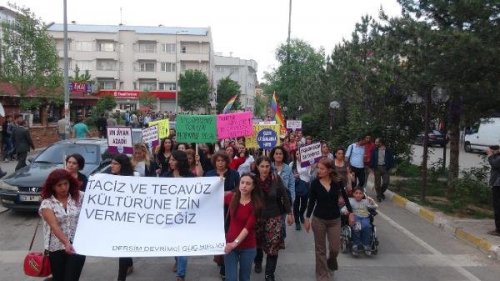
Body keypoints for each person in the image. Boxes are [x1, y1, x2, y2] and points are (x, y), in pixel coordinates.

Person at [304, 158, 354, 281]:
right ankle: (322, 275)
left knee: (334, 249)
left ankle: (331, 263)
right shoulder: (315, 183)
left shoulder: (337, 182)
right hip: (319, 219)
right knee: (320, 249)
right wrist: (307, 218)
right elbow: (311, 202)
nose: (319, 171)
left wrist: (351, 212)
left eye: (322, 169)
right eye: (318, 168)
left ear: (329, 170)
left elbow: (345, 197)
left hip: (335, 220)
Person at [39, 169, 86, 281]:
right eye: (59, 185)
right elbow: (54, 225)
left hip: (77, 246)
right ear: (52, 187)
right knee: (59, 278)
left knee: (71, 278)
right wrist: (66, 243)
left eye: (66, 184)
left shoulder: (80, 197)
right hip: (56, 249)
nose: (63, 188)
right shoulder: (47, 203)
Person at [253, 156, 293, 281]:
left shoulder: (276, 179)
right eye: (262, 166)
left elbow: (285, 196)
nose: (265, 169)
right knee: (257, 244)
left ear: (270, 167)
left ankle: (269, 274)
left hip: (274, 216)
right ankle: (258, 261)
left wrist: (290, 213)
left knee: (273, 247)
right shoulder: (253, 180)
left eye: (267, 166)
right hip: (257, 217)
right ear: (257, 167)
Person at [160, 150, 194, 281]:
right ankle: (177, 260)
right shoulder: (165, 177)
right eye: (170, 160)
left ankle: (181, 275)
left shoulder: (190, 177)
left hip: (185, 218)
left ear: (180, 161)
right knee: (174, 245)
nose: (170, 162)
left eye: (173, 160)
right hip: (169, 218)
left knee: (183, 247)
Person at [224, 173, 264, 281]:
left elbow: (247, 228)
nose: (244, 186)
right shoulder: (232, 197)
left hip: (248, 247)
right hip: (229, 245)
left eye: (248, 183)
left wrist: (235, 243)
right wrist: (217, 182)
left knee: (244, 278)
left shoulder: (256, 205)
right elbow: (213, 197)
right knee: (230, 278)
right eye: (242, 182)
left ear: (253, 186)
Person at [108, 154, 135, 281]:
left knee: (123, 250)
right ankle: (129, 263)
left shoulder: (134, 178)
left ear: (122, 166)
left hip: (129, 221)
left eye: (115, 164)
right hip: (116, 220)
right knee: (122, 248)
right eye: (111, 163)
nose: (111, 166)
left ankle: (121, 278)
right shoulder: (108, 180)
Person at [270, 146, 295, 242]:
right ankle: (273, 237)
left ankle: (281, 237)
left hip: (283, 200)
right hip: (271, 200)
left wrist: (292, 199)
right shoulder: (269, 166)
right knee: (272, 220)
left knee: (281, 221)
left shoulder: (287, 168)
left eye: (280, 153)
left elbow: (291, 185)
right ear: (273, 155)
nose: (278, 155)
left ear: (283, 155)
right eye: (276, 153)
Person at [347, 187, 378, 255]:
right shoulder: (350, 201)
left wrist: (372, 201)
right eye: (356, 193)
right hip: (355, 217)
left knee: (367, 227)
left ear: (363, 195)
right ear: (353, 194)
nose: (358, 195)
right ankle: (356, 244)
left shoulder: (366, 201)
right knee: (357, 227)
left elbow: (375, 206)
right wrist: (344, 211)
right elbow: (345, 208)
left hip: (365, 217)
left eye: (360, 193)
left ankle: (366, 244)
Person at [290, 149, 311, 230]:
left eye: (301, 153)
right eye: (297, 154)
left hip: (305, 185)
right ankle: (297, 222)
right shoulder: (292, 164)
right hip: (296, 186)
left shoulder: (307, 163)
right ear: (295, 155)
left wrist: (312, 166)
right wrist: (294, 176)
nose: (299, 155)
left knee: (304, 203)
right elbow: (289, 176)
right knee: (296, 204)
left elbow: (310, 174)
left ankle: (301, 214)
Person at [370, 138, 395, 202]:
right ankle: (378, 195)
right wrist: (372, 168)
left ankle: (381, 192)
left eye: (376, 142)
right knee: (377, 183)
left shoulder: (387, 150)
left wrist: (390, 167)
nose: (375, 143)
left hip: (385, 168)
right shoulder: (374, 150)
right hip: (377, 168)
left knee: (386, 182)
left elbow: (391, 159)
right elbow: (372, 159)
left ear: (380, 143)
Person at [487, 145, 500, 237]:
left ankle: (498, 230)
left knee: (497, 207)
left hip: (498, 184)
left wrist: (490, 154)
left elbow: (495, 164)